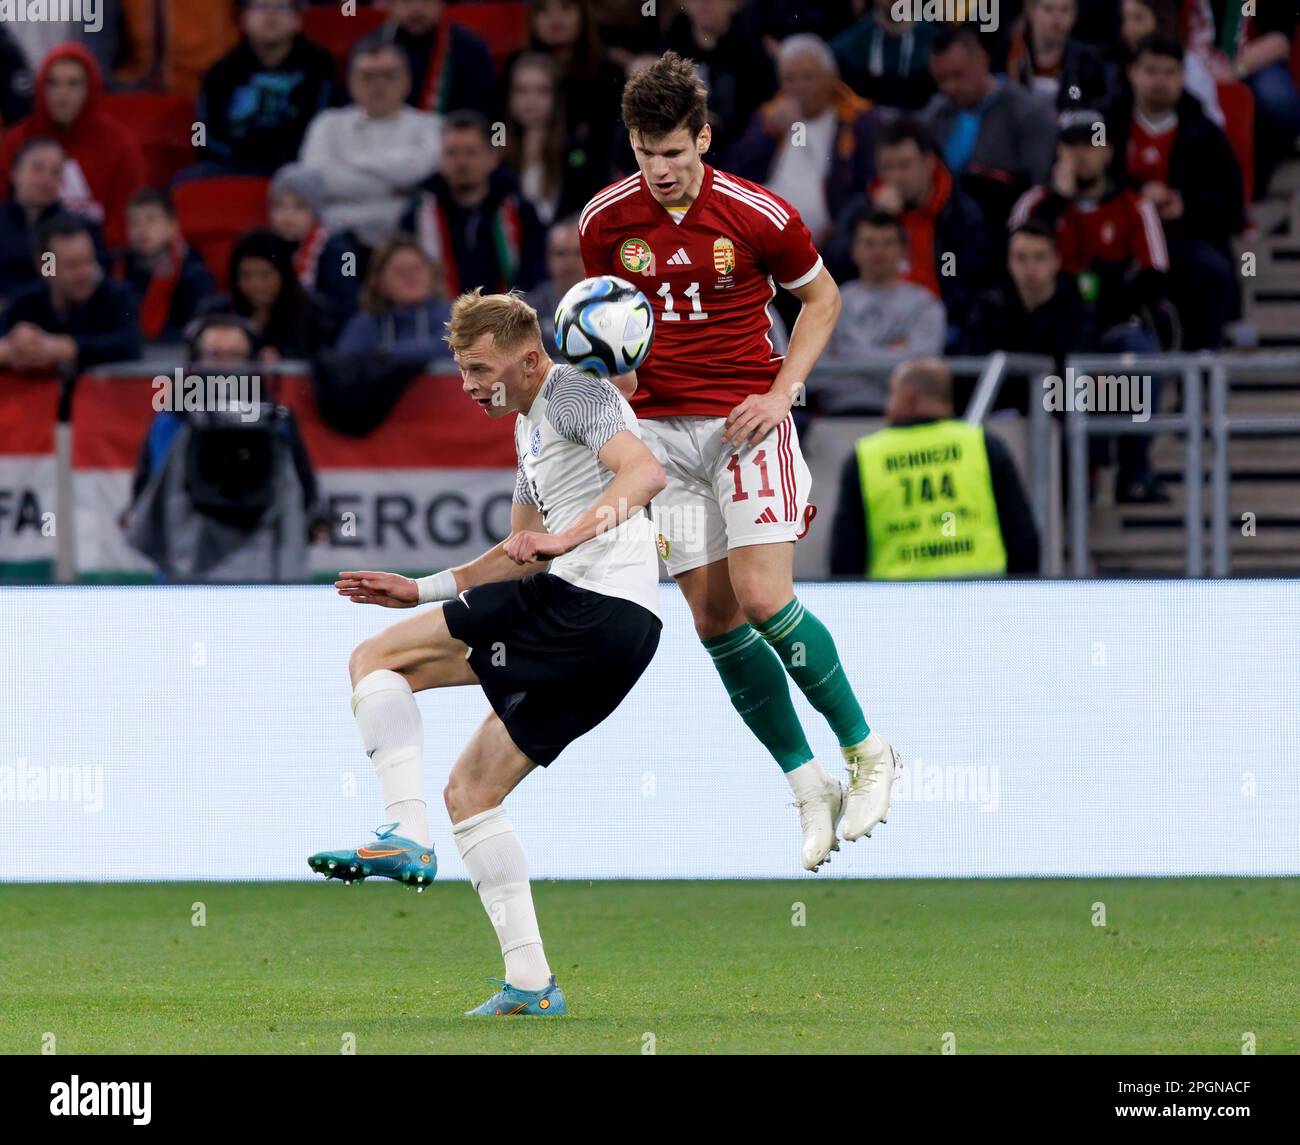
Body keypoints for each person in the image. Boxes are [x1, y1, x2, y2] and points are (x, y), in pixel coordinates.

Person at [579, 51, 900, 872]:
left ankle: (868, 750)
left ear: (705, 139)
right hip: (659, 441)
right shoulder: (604, 224)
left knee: (762, 596)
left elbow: (821, 301)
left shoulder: (759, 214)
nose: (660, 171)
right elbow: (612, 329)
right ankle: (807, 784)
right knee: (715, 618)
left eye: (676, 154)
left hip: (744, 423)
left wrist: (784, 390)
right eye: (647, 154)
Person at [314, 289, 666, 1018]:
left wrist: (565, 540)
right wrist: (420, 589)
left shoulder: (575, 394)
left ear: (531, 358)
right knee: (471, 793)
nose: (470, 384)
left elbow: (644, 474)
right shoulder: (529, 431)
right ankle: (533, 984)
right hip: (623, 635)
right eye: (462, 369)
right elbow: (515, 554)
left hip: (585, 601)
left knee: (375, 660)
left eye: (481, 367)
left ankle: (404, 834)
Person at [830, 358, 1040, 579]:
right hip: (982, 598)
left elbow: (846, 554)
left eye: (891, 394)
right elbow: (1022, 536)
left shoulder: (866, 456)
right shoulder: (983, 445)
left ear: (909, 397)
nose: (887, 406)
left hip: (896, 601)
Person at [1106, 33, 1244, 349]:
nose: (1160, 81)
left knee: (1211, 272)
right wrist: (1139, 195)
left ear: (1183, 76)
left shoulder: (1206, 133)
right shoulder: (1108, 124)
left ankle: (1202, 370)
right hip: (1117, 235)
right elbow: (1092, 175)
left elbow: (1232, 206)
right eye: (1151, 71)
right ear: (1132, 72)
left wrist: (1184, 203)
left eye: (1169, 73)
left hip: (1184, 239)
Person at [829, 116, 989, 347]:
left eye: (904, 165)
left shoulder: (959, 214)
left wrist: (930, 320)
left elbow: (968, 282)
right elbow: (834, 267)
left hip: (937, 320)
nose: (895, 177)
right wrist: (877, 217)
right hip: (866, 318)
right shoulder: (862, 209)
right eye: (887, 167)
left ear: (928, 162)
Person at [726, 33, 876, 246]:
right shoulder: (768, 117)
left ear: (832, 77)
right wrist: (768, 133)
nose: (799, 86)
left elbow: (864, 185)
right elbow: (738, 174)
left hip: (831, 241)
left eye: (808, 76)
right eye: (790, 78)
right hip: (763, 239)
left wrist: (838, 229)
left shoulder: (857, 120)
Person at [297, 34, 442, 248]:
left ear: (407, 81)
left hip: (409, 238)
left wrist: (351, 163)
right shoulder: (327, 123)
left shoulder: (431, 125)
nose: (378, 84)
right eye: (367, 76)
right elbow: (317, 182)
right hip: (341, 235)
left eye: (388, 75)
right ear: (350, 82)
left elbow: (422, 172)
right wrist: (396, 185)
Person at [0, 43, 146, 251]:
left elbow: (127, 223)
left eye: (73, 84)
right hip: (21, 260)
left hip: (94, 263)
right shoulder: (14, 142)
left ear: (91, 89)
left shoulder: (121, 146)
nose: (62, 94)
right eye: (53, 83)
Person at [921, 23, 1058, 228]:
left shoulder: (1027, 112)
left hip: (1005, 225)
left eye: (958, 76)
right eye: (941, 80)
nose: (949, 87)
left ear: (982, 60)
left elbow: (1042, 186)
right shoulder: (935, 113)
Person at [402, 111, 546, 295]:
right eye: (451, 153)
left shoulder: (521, 210)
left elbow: (536, 273)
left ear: (492, 157)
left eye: (471, 152)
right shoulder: (419, 213)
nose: (461, 162)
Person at [816, 210, 945, 414]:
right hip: (840, 412)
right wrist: (896, 353)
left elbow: (922, 375)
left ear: (903, 250)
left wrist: (844, 356)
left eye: (887, 243)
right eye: (869, 243)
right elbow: (816, 373)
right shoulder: (828, 302)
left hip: (906, 415)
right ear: (854, 250)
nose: (878, 252)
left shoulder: (925, 304)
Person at [194, 0, 336, 175]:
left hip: (298, 165)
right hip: (233, 163)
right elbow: (201, 134)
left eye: (281, 7)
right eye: (261, 6)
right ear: (243, 19)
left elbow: (326, 125)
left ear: (298, 20)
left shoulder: (320, 66)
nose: (271, 15)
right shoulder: (220, 72)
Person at [0, 215, 140, 372]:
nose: (84, 273)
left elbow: (129, 344)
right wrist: (11, 349)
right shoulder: (25, 303)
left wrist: (66, 347)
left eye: (88, 261)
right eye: (72, 265)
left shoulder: (116, 297)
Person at [267, 163, 367, 329]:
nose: (287, 216)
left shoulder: (343, 253)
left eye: (299, 207)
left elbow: (349, 304)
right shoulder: (278, 249)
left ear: (316, 211)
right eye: (279, 206)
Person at [115, 189, 216, 342]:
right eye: (134, 222)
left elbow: (200, 330)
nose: (141, 230)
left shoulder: (193, 274)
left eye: (151, 220)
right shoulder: (119, 270)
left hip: (175, 360)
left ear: (172, 226)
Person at [335, 236, 451, 363]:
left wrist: (380, 356)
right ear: (377, 281)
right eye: (400, 271)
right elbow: (346, 362)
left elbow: (453, 346)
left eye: (416, 268)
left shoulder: (454, 314)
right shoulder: (366, 323)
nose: (411, 276)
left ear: (432, 274)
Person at [386, 0, 494, 116]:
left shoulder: (471, 50)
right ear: (392, 5)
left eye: (426, 1)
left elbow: (479, 112)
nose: (417, 9)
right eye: (407, 1)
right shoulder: (373, 51)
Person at [1004, 0, 1111, 111]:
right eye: (1048, 9)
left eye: (1065, 10)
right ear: (1031, 11)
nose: (1057, 19)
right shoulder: (1010, 55)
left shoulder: (1088, 63)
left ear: (1074, 15)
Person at [0, 139, 70, 303]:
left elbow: (54, 279)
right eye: (37, 169)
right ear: (15, 172)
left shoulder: (71, 230)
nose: (46, 179)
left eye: (55, 172)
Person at [529, 215, 584, 352]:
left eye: (577, 253)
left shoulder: (609, 306)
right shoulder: (528, 310)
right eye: (561, 253)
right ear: (548, 259)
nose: (569, 262)